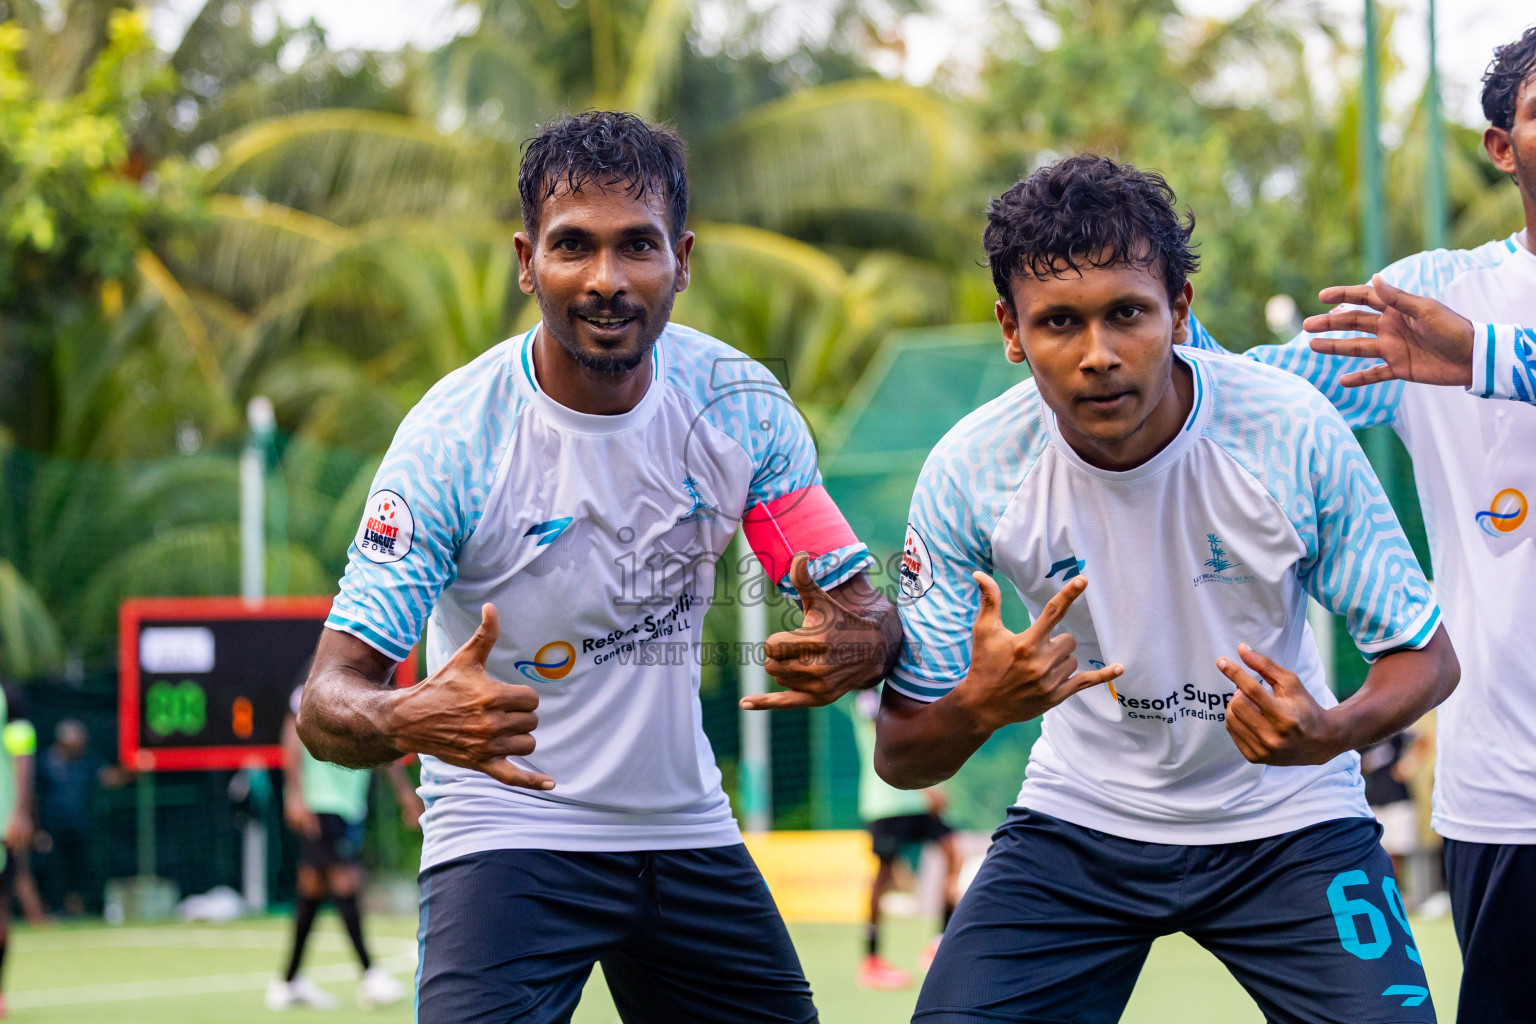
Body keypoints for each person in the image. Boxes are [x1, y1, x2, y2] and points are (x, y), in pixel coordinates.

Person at [296, 111, 901, 1024]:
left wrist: (860, 642)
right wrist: (407, 715)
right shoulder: (451, 442)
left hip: (682, 824)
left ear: (682, 260)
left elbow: (860, 612)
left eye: (638, 247)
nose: (607, 281)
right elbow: (325, 701)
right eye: (573, 246)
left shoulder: (736, 405)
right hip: (505, 832)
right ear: (527, 260)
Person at [875, 154, 1460, 1024]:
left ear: (1180, 311)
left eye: (1128, 314)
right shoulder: (972, 468)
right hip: (1081, 818)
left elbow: (1426, 658)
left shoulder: (1287, 430)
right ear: (1011, 329)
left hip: (1288, 821)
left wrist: (1327, 733)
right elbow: (902, 752)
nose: (1099, 355)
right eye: (1059, 322)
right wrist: (980, 707)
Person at [1183, 26, 1536, 1022]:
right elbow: (1266, 394)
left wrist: (1490, 360)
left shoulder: (1467, 336)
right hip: (1510, 789)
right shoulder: (1434, 297)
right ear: (1501, 147)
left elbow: (1486, 357)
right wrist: (1165, 323)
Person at [265, 685, 424, 1011]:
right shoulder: (322, 676)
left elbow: (382, 746)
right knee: (344, 880)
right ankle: (370, 975)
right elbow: (290, 730)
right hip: (321, 801)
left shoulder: (371, 685)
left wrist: (405, 795)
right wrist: (295, 794)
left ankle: (289, 981)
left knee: (312, 887)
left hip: (347, 803)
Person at [849, 689, 959, 990]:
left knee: (953, 853)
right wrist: (928, 789)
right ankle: (871, 961)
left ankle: (938, 942)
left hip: (916, 802)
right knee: (882, 878)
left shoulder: (905, 687)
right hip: (885, 802)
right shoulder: (867, 695)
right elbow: (890, 744)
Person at [37, 719, 115, 917]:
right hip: (51, 827)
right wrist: (37, 828)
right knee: (52, 869)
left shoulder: (86, 761)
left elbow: (108, 777)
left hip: (79, 826)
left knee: (80, 868)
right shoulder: (44, 762)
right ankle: (51, 908)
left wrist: (137, 764)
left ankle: (76, 907)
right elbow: (32, 796)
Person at [0, 656, 33, 1021]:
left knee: (1, 912)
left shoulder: (10, 697)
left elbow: (23, 754)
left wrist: (20, 812)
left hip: (1, 823)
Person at [1359, 729, 1429, 896]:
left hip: (1397, 799)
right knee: (1379, 853)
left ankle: (1395, 892)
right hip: (1372, 802)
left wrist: (1409, 763)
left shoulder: (1392, 731)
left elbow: (1422, 739)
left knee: (1397, 852)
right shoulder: (1360, 737)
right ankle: (1386, 892)